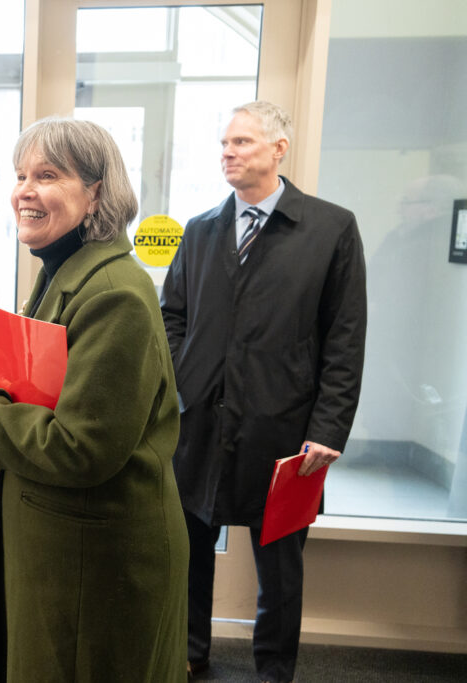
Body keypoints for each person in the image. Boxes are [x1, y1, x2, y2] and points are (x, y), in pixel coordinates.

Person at [0, 118, 188, 682]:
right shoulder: (65, 272)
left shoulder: (113, 294)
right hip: (65, 543)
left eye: (47, 175)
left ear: (96, 193)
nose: (24, 191)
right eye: (20, 175)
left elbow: (82, 446)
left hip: (100, 561)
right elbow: (47, 393)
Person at [160, 101, 367, 683]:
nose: (228, 151)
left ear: (279, 149)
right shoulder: (200, 230)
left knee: (279, 562)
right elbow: (171, 315)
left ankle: (274, 670)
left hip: (285, 427)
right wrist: (185, 379)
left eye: (243, 142)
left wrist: (328, 429)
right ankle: (191, 648)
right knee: (192, 545)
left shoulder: (330, 229)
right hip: (199, 421)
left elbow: (346, 339)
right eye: (225, 143)